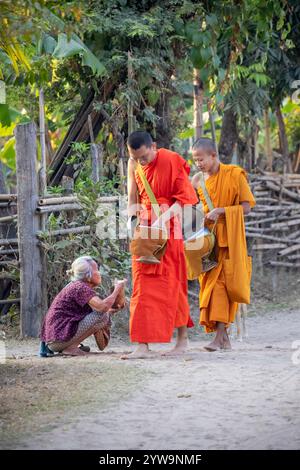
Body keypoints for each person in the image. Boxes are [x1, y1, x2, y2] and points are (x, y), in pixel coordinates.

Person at [124, 130, 199, 359]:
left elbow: (184, 199)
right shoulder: (133, 163)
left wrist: (163, 220)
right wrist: (132, 225)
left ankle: (182, 340)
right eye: (136, 158)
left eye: (144, 157)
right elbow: (132, 197)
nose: (140, 162)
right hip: (146, 228)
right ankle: (142, 344)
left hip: (170, 226)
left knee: (174, 282)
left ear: (153, 146)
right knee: (142, 285)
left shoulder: (171, 159)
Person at [191, 137, 256, 351]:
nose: (199, 164)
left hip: (230, 240)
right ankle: (224, 338)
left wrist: (223, 211)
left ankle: (219, 338)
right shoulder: (197, 181)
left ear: (213, 155)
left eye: (201, 159)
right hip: (208, 243)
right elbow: (193, 211)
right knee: (209, 287)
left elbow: (246, 207)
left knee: (223, 288)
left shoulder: (234, 174)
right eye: (195, 160)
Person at [40, 256, 126, 356]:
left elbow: (103, 309)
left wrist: (114, 307)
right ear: (88, 276)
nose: (99, 273)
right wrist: (117, 290)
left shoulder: (78, 286)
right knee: (102, 314)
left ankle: (70, 346)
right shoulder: (80, 287)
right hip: (57, 340)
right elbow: (102, 308)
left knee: (104, 314)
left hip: (55, 340)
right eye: (96, 270)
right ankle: (71, 348)